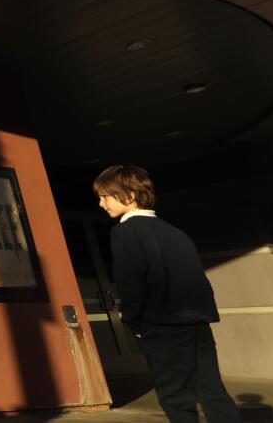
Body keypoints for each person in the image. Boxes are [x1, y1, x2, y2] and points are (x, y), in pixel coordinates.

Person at [93, 165, 241, 423]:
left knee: (176, 398)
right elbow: (198, 280)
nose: (101, 203)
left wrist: (134, 323)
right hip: (198, 324)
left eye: (105, 195)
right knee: (213, 391)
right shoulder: (175, 232)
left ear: (129, 196)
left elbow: (131, 282)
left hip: (162, 325)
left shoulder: (125, 231)